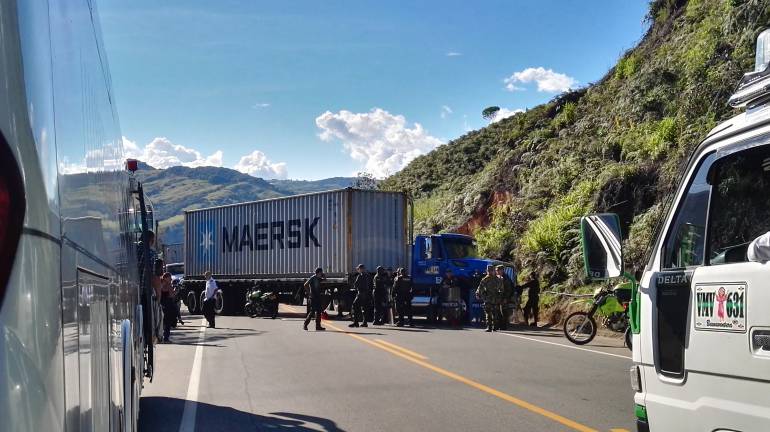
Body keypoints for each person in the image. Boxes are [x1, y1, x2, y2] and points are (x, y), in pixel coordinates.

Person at [476, 265, 503, 332]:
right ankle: (490, 327)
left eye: (491, 271)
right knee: (488, 312)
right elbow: (480, 287)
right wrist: (478, 294)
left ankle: (495, 326)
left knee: (495, 313)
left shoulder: (498, 279)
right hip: (488, 298)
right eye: (489, 271)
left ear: (493, 271)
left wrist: (500, 296)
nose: (490, 272)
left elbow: (501, 289)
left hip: (495, 298)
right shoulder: (485, 279)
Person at [496, 266, 514, 330]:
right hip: (497, 298)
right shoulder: (497, 277)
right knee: (497, 312)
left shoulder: (506, 278)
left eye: (498, 270)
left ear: (502, 270)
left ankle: (504, 325)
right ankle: (498, 325)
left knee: (503, 312)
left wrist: (506, 298)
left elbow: (508, 290)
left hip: (504, 298)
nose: (497, 272)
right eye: (497, 270)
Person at [160, 272, 176, 343]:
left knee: (163, 322)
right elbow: (172, 295)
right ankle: (166, 338)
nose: (171, 279)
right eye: (169, 278)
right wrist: (175, 290)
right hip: (167, 305)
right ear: (166, 278)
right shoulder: (168, 285)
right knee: (168, 322)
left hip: (162, 304)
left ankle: (162, 337)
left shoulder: (161, 283)